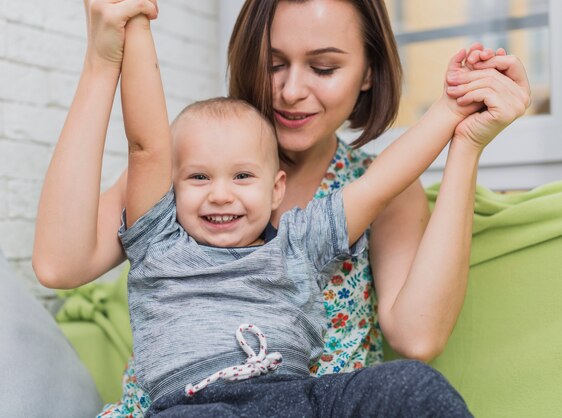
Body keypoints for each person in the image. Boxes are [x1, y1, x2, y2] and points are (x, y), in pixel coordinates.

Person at [32, 0, 530, 416]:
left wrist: (463, 137)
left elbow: (417, 337)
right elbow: (61, 262)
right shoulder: (179, 177)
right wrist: (104, 61)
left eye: (324, 67)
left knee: (412, 385)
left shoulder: (339, 211)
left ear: (367, 73)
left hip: (304, 401)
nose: (292, 90)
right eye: (274, 64)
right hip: (185, 405)